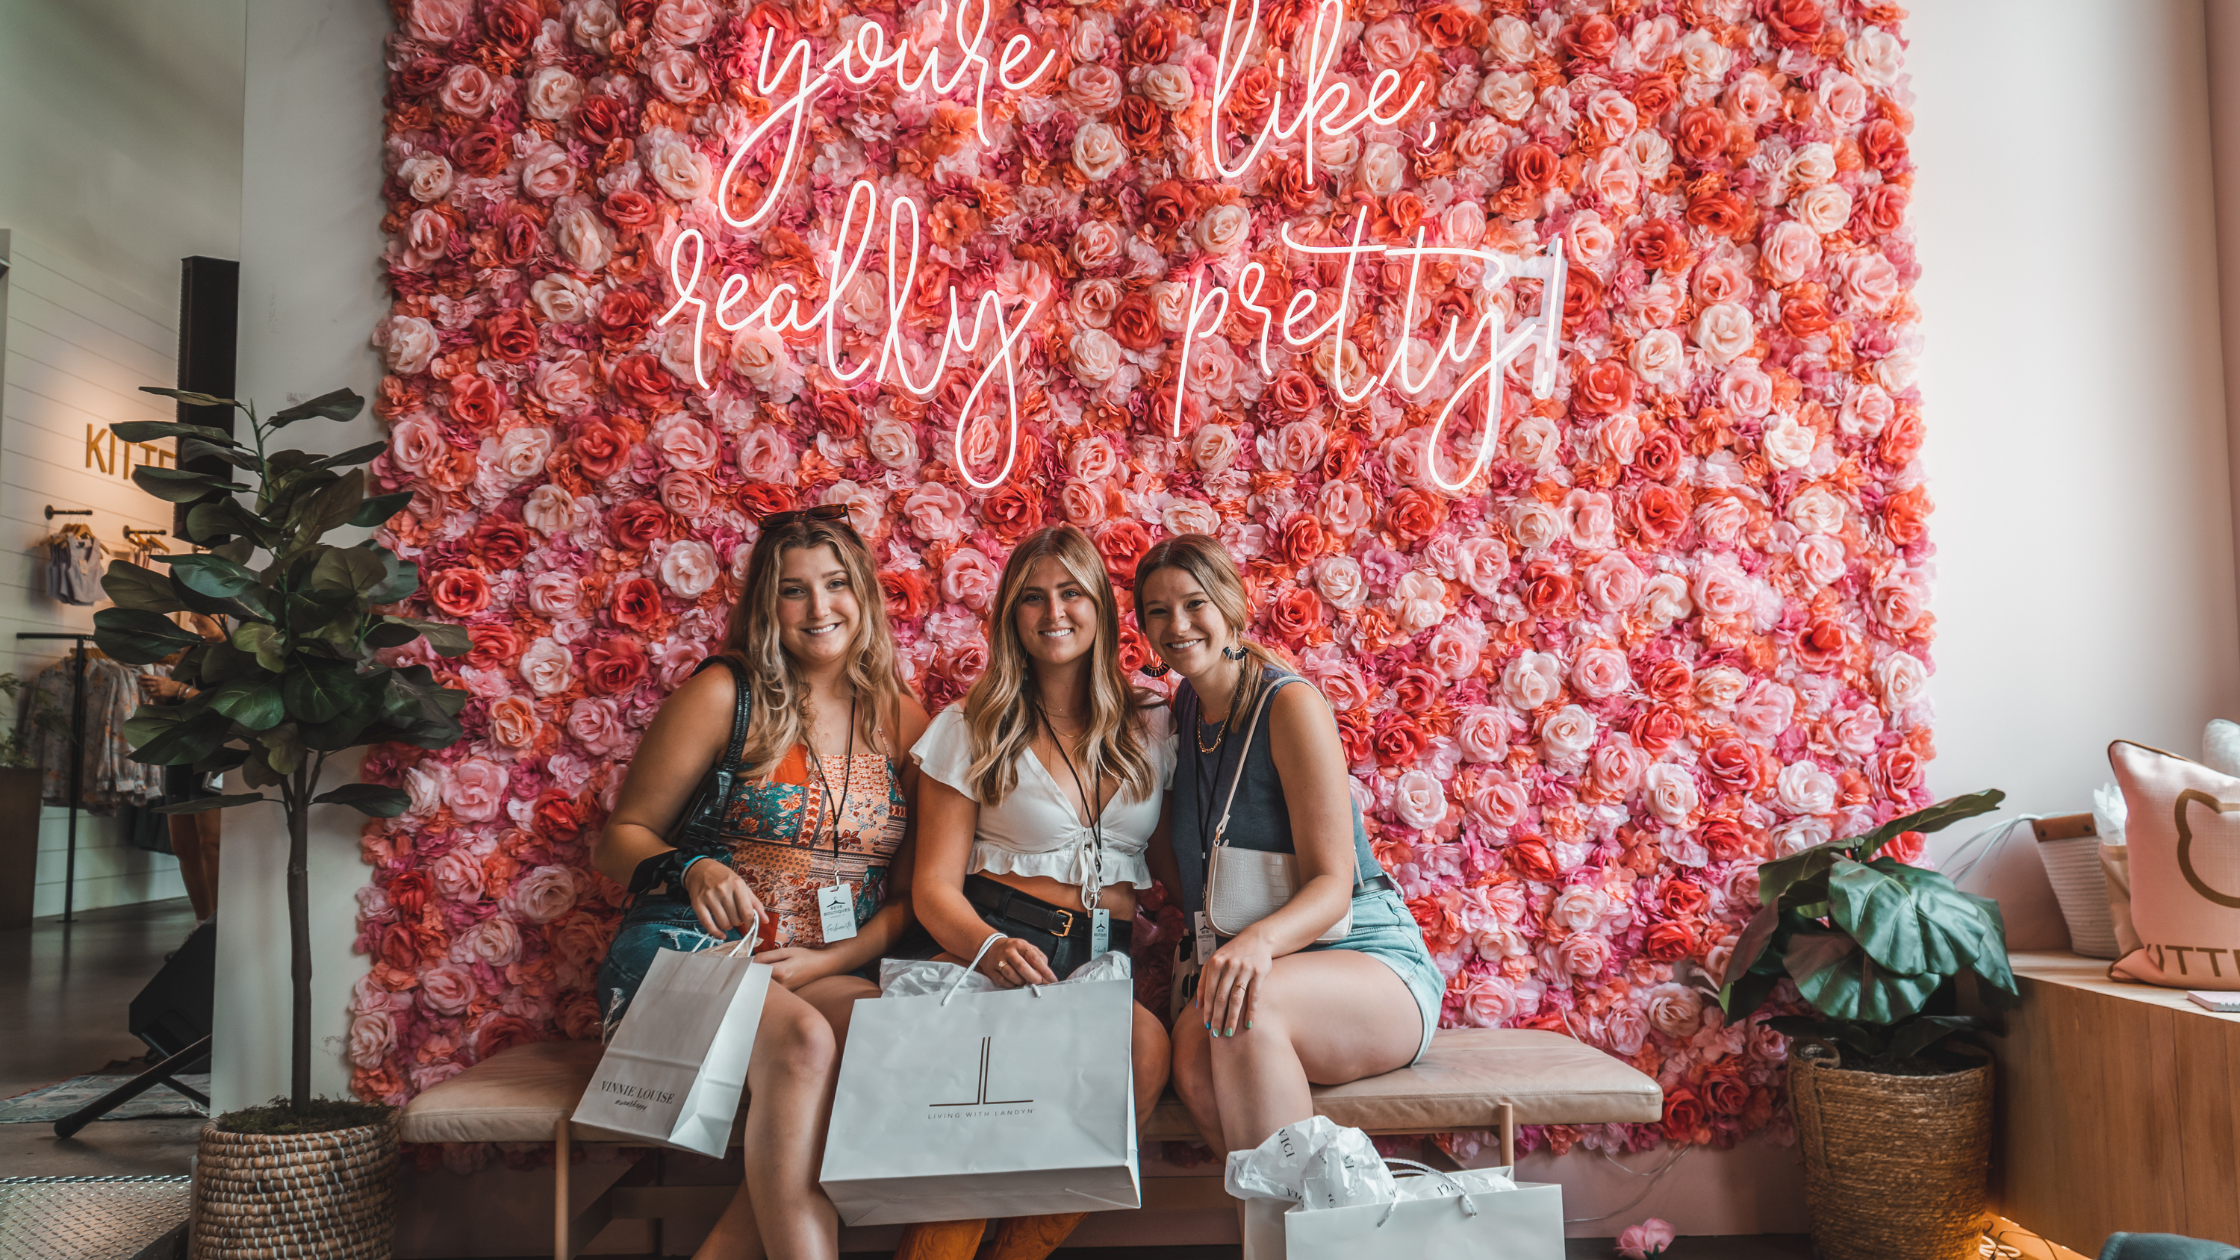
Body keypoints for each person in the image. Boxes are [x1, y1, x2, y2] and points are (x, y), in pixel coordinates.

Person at [593, 504, 929, 1260]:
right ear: (766, 604)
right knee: (806, 1042)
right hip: (692, 954)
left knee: (894, 1042)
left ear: (864, 595)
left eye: (836, 584)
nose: (819, 608)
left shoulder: (904, 720)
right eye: (793, 589)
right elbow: (618, 842)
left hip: (815, 965)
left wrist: (829, 962)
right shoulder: (724, 694)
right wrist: (693, 863)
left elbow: (909, 897)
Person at [896, 525, 1175, 1260]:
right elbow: (932, 888)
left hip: (1101, 962)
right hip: (995, 945)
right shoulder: (971, 724)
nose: (1054, 612)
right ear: (1010, 617)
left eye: (1072, 592)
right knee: (991, 1132)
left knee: (1146, 1053)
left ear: (1101, 610)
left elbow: (1177, 864)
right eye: (1032, 598)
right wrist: (989, 950)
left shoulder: (1153, 722)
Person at [1133, 534, 1443, 1160]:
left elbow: (1333, 886)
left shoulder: (1289, 703)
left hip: (1367, 957)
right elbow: (1179, 864)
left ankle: (1309, 1243)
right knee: (1191, 1058)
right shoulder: (1185, 707)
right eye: (1158, 611)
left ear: (1230, 606)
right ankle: (1291, 1235)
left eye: (1195, 604)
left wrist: (1255, 944)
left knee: (1245, 1008)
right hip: (1268, 968)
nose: (1178, 624)